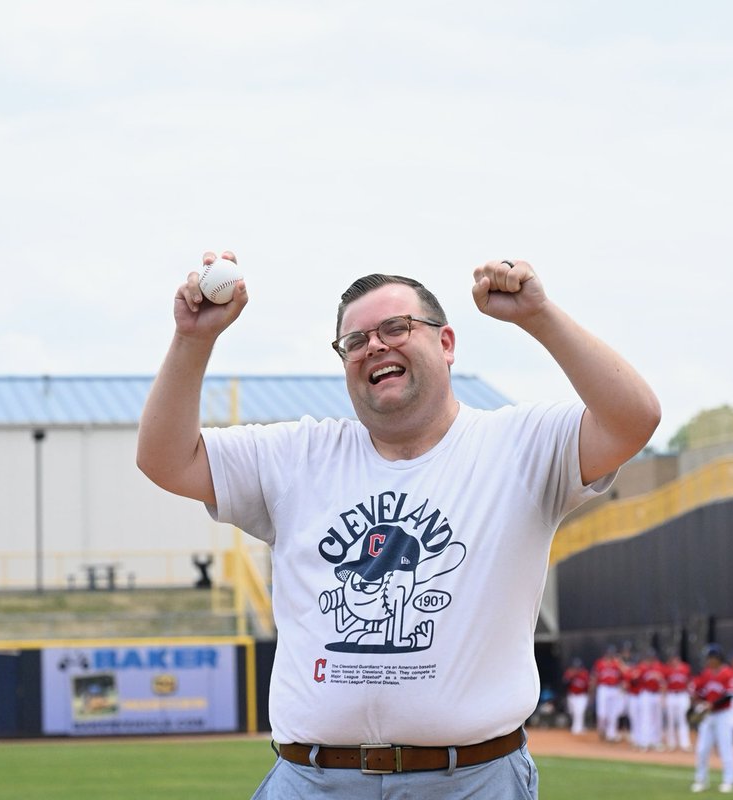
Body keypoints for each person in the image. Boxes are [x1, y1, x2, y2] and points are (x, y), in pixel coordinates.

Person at [137, 253, 660, 798]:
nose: (375, 346)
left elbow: (634, 418)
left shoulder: (520, 444)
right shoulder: (299, 454)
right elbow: (165, 459)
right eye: (355, 341)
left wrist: (539, 315)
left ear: (446, 343)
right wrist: (193, 339)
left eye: (396, 328)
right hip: (310, 780)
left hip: (471, 780)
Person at [690, 643, 733, 794]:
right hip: (709, 716)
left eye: (710, 657)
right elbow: (700, 693)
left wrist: (713, 704)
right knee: (702, 749)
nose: (708, 660)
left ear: (717, 658)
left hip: (723, 715)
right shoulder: (705, 674)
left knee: (726, 748)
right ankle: (701, 780)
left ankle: (729, 781)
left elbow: (730, 694)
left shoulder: (728, 673)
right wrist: (698, 700)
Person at [663, 649, 693, 752]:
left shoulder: (685, 668)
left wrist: (690, 696)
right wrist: (663, 698)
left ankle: (685, 744)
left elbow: (689, 682)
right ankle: (671, 743)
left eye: (675, 658)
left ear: (678, 659)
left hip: (682, 695)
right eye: (672, 659)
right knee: (671, 720)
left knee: (683, 719)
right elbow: (664, 684)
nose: (674, 661)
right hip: (671, 695)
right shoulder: (667, 670)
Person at [562, 657, 591, 735]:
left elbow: (588, 685)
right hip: (572, 695)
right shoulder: (570, 672)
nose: (577, 669)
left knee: (579, 712)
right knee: (572, 712)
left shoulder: (584, 674)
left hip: (582, 696)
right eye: (575, 667)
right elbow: (565, 683)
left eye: (578, 667)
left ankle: (577, 728)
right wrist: (571, 676)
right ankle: (578, 727)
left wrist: (589, 696)